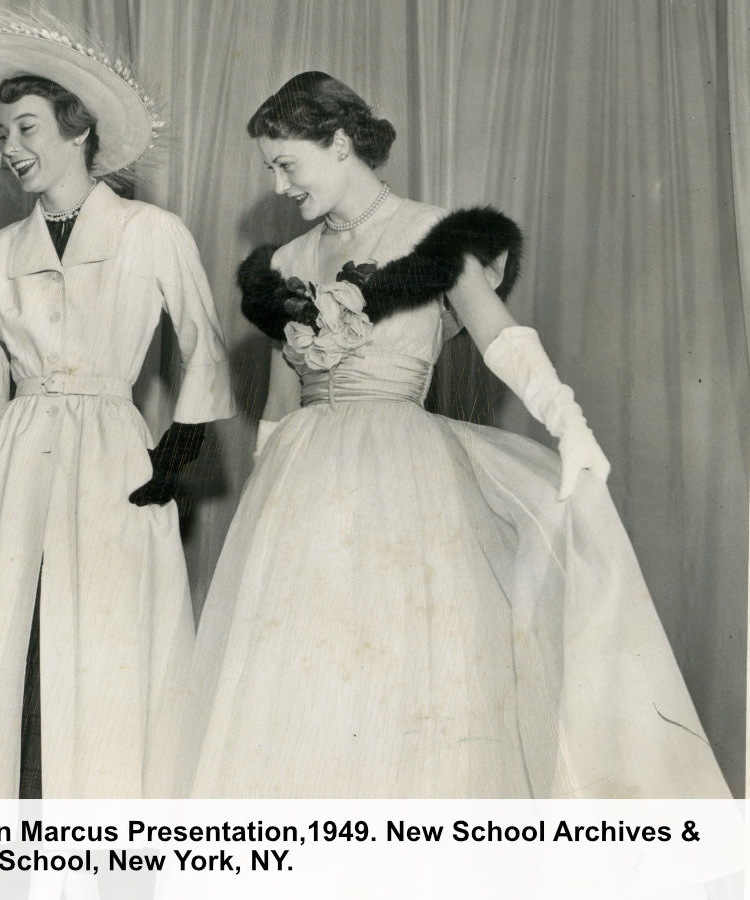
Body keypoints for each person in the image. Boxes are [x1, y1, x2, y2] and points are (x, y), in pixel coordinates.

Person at [179, 71, 729, 797]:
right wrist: (265, 501)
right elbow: (282, 399)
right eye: (270, 170)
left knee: (401, 670)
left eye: (287, 164)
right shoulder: (284, 263)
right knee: (303, 675)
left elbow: (501, 337)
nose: (278, 187)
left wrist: (569, 423)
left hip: (402, 479)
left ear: (339, 143)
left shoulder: (435, 235)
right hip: (302, 486)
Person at [0, 12, 237, 798]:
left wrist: (184, 439)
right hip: (18, 454)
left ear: (77, 126)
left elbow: (205, 344)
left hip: (114, 451)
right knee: (12, 637)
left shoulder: (152, 232)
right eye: (2, 134)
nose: (10, 148)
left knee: (107, 638)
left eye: (26, 127)